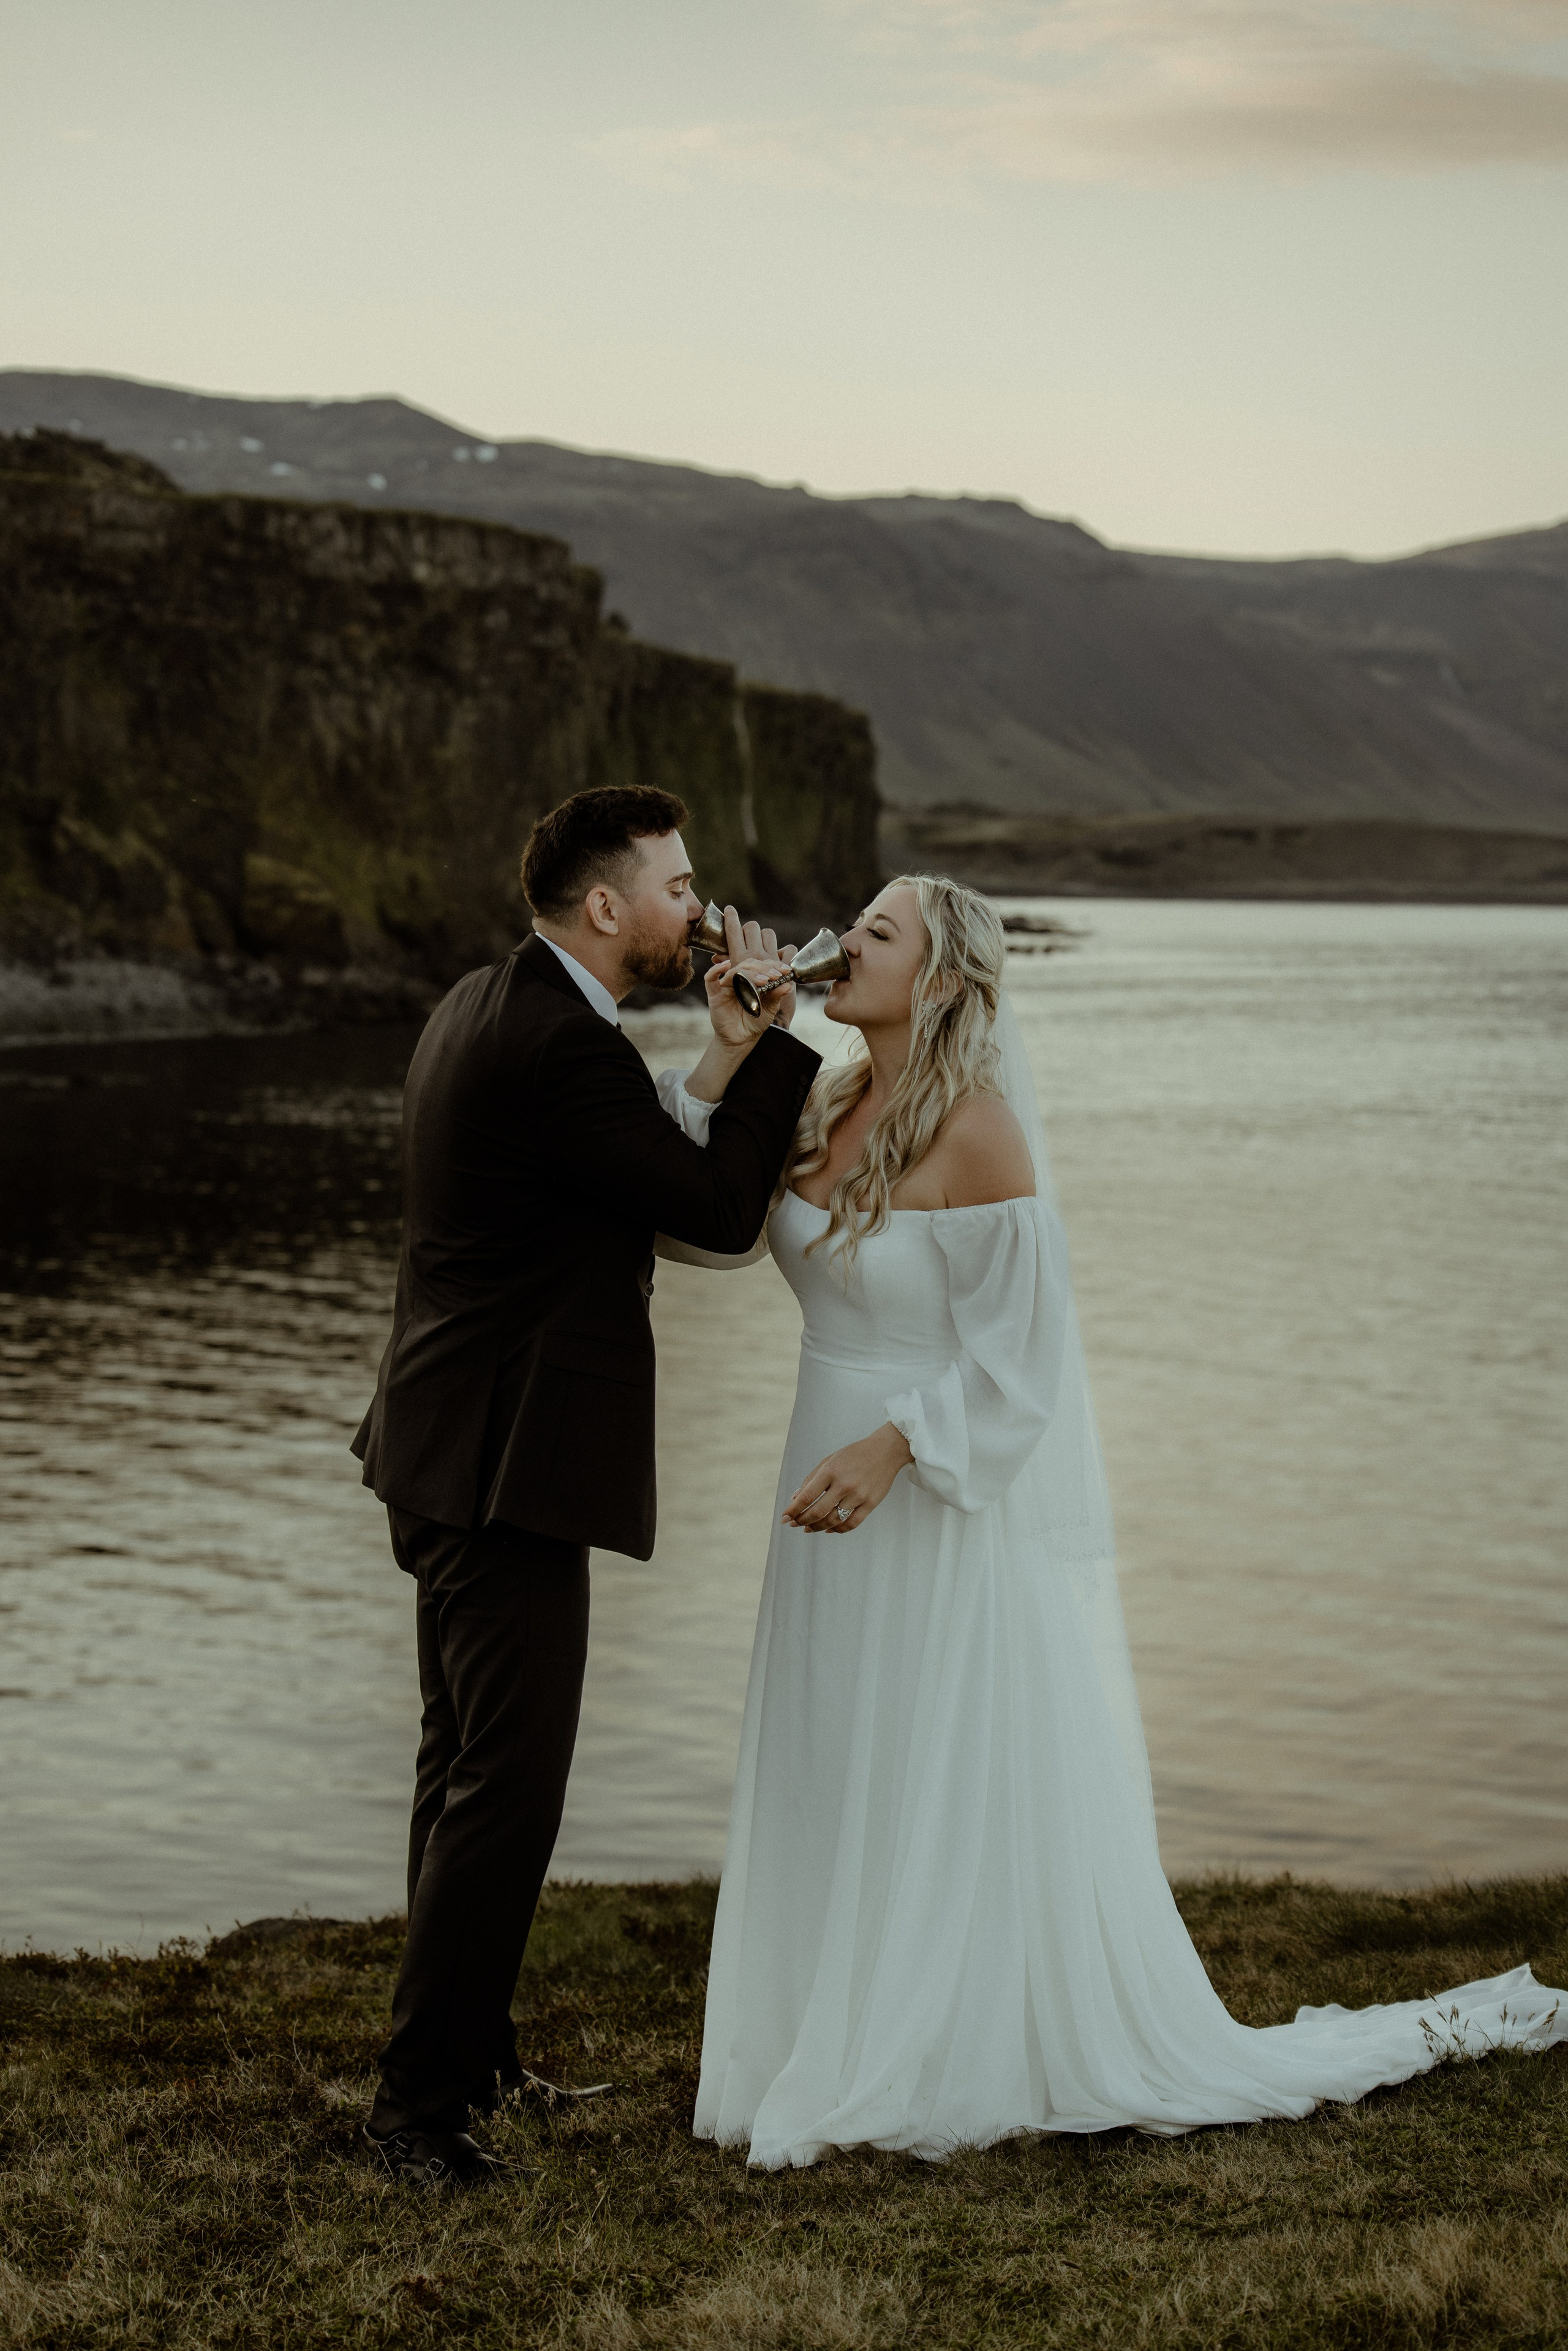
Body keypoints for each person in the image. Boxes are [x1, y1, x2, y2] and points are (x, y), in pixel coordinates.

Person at [692, 873, 1568, 2168]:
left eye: (878, 932)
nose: (846, 942)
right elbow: (698, 1230)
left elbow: (1023, 1363)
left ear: (939, 981)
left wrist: (894, 1446)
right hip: (812, 1491)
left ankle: (924, 2037)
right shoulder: (819, 1095)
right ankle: (807, 2022)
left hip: (926, 1499)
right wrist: (724, 1053)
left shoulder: (980, 1132)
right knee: (831, 1746)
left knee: (921, 1753)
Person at [352, 784, 820, 2187]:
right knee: (506, 1786)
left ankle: (469, 2053)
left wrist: (722, 1050)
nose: (700, 907)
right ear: (606, 905)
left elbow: (617, 1159)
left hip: (439, 1443)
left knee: (458, 1769)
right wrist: (781, 1052)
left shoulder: (497, 1006)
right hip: (503, 1468)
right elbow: (714, 1206)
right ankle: (417, 2115)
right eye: (678, 888)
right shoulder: (563, 1043)